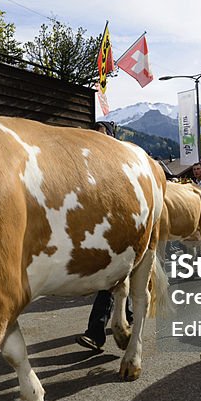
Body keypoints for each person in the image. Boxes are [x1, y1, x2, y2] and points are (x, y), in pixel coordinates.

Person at [77, 121, 132, 351]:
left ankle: (96, 332)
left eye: (102, 135)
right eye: (94, 135)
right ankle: (128, 314)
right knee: (120, 281)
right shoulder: (89, 165)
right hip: (100, 232)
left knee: (111, 281)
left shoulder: (123, 162)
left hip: (121, 232)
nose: (97, 139)